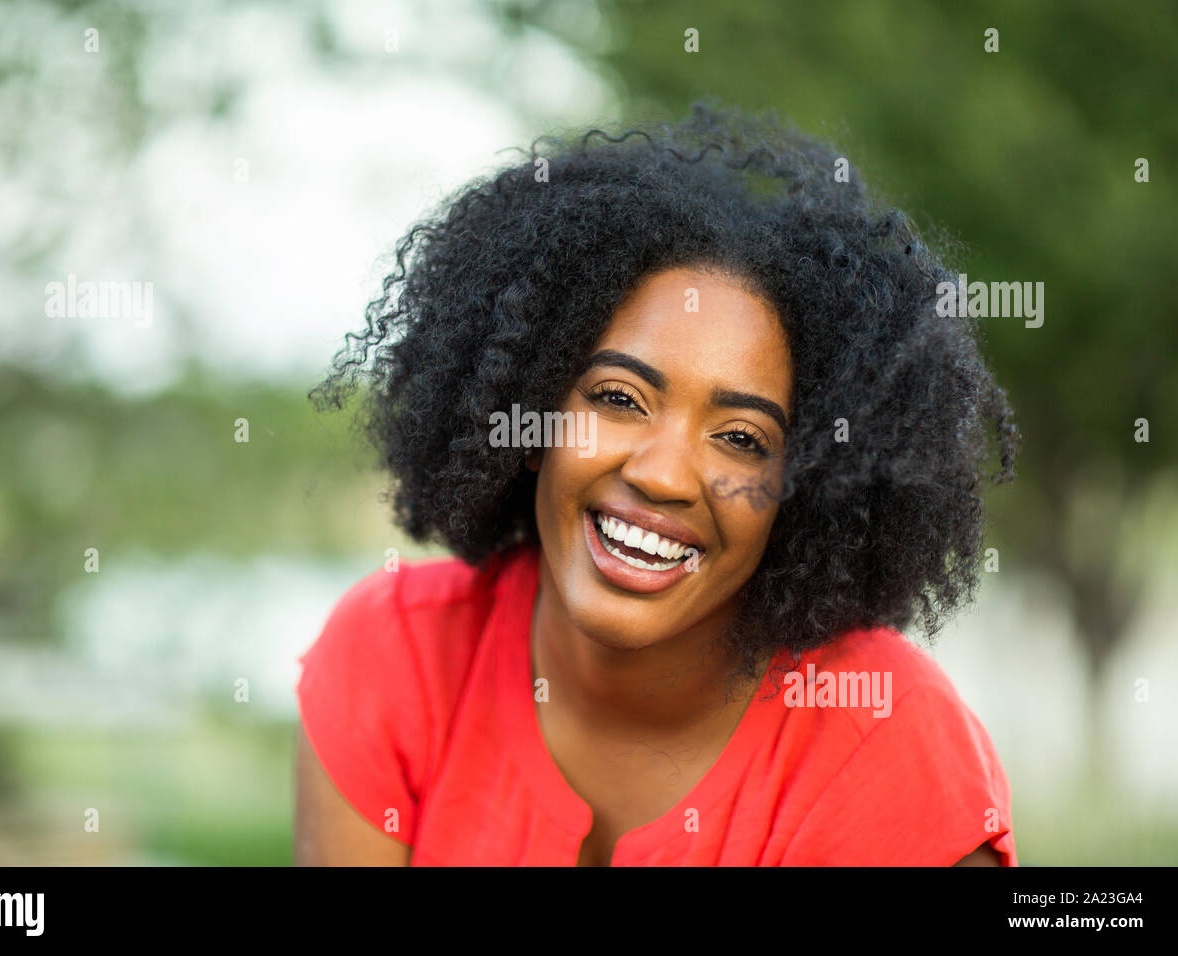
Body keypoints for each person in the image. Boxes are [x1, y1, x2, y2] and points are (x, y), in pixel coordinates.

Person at [294, 103, 1020, 866]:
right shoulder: (398, 656)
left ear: (805, 491)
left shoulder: (881, 736)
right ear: (532, 412)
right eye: (617, 399)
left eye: (742, 440)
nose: (663, 475)